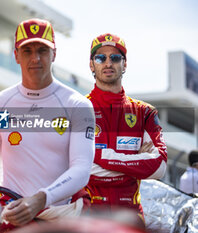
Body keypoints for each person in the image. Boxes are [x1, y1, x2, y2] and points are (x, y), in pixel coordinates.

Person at [0, 18, 95, 231]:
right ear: (16, 55)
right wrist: (3, 206)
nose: (35, 58)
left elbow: (81, 168)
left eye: (42, 50)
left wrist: (41, 199)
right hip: (13, 219)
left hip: (59, 219)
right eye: (27, 51)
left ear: (54, 54)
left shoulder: (77, 105)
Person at [84, 33, 168, 223]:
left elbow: (159, 166)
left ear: (125, 64)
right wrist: (136, 163)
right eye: (100, 57)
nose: (108, 63)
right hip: (88, 216)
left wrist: (99, 156)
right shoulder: (78, 108)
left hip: (132, 218)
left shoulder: (145, 112)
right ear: (91, 64)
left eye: (115, 57)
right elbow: (76, 166)